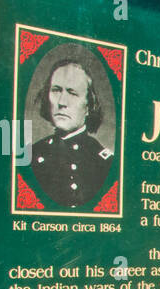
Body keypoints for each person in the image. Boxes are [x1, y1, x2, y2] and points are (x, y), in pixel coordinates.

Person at [27, 59, 114, 207]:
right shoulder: (31, 154)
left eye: (72, 93)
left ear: (89, 106)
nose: (62, 102)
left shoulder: (104, 163)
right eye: (56, 90)